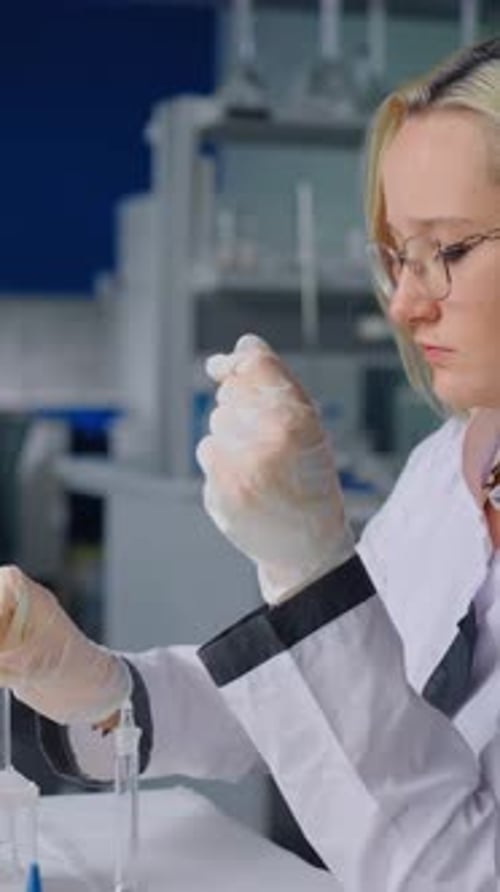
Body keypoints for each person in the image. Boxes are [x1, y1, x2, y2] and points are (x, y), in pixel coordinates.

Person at [1, 34, 500, 891]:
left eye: (448, 250)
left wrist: (312, 577)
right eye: (396, 257)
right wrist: (100, 691)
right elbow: (317, 704)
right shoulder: (446, 470)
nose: (409, 303)